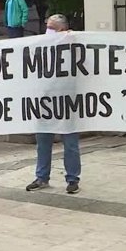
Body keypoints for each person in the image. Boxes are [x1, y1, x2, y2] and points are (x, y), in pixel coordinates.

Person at [26, 14, 81, 195]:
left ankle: (72, 179)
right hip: (45, 100)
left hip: (67, 100)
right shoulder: (42, 45)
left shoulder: (74, 44)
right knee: (43, 142)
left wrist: (72, 39)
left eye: (51, 27)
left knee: (70, 143)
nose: (47, 31)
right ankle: (42, 177)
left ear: (62, 30)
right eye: (47, 26)